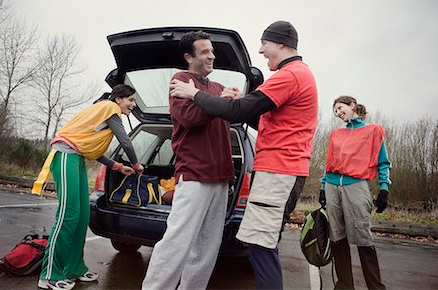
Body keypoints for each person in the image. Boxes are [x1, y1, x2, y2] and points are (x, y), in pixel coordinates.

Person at [170, 21, 318, 289]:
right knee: (262, 244)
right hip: (280, 171)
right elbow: (264, 123)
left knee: (262, 246)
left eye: (265, 44)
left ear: (281, 43)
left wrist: (193, 93)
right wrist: (240, 100)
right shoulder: (297, 74)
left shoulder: (290, 75)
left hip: (279, 172)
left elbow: (237, 113)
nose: (261, 51)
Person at [141, 31, 235, 290]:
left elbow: (229, 114)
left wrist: (232, 100)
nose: (212, 55)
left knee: (207, 248)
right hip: (194, 175)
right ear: (188, 57)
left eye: (212, 51)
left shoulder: (217, 88)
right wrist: (218, 102)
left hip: (222, 177)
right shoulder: (180, 80)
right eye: (205, 51)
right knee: (177, 242)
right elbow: (191, 118)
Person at [32, 84, 144, 290]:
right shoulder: (111, 108)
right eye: (131, 100)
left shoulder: (104, 112)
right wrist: (136, 164)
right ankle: (49, 275)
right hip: (65, 155)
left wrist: (119, 167)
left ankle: (73, 268)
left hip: (77, 158)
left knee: (82, 216)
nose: (133, 104)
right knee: (68, 216)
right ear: (119, 99)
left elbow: (92, 150)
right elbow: (126, 142)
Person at [318, 95, 391, 290]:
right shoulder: (335, 135)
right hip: (333, 187)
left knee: (363, 238)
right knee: (336, 237)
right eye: (335, 112)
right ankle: (344, 285)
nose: (338, 113)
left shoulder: (373, 131)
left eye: (341, 108)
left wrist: (384, 188)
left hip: (356, 186)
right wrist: (323, 187)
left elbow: (383, 163)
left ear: (353, 106)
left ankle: (376, 287)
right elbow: (328, 164)